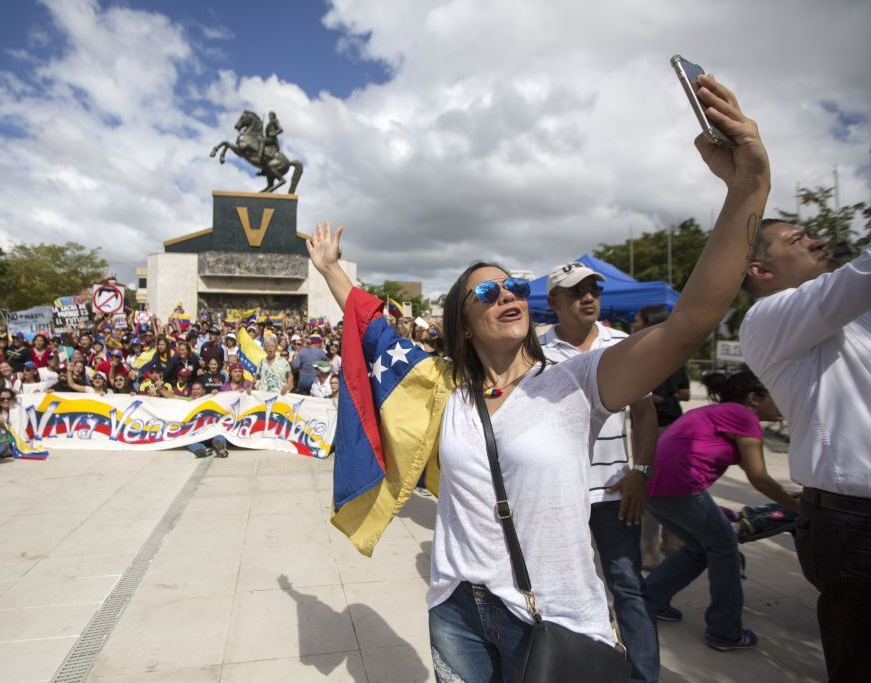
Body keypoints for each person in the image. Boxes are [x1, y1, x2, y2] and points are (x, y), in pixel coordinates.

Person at [307, 71, 770, 681]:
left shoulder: (579, 379)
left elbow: (688, 325)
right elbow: (375, 330)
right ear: (464, 324)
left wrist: (747, 189)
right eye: (487, 291)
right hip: (454, 607)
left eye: (514, 286)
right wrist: (332, 271)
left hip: (551, 616)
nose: (508, 295)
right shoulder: (444, 385)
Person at [738, 221, 871, 681]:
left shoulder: (850, 317)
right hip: (855, 522)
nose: (817, 241)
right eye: (796, 240)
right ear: (760, 270)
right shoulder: (768, 316)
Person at [538, 263, 660, 683]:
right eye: (575, 291)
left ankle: (644, 676)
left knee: (627, 586)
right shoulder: (534, 351)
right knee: (558, 592)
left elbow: (645, 411)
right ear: (554, 302)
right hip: (557, 494)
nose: (588, 297)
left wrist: (640, 470)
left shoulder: (621, 344)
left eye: (593, 289)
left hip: (612, 492)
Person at [645, 369, 799, 650]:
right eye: (778, 397)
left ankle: (651, 600)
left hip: (654, 487)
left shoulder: (723, 413)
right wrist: (796, 506)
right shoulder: (745, 417)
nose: (783, 404)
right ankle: (724, 631)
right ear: (754, 398)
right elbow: (759, 477)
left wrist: (790, 496)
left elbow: (752, 471)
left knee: (698, 548)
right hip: (681, 486)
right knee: (724, 546)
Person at [633, 305, 691, 570]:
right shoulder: (676, 357)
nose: (633, 324)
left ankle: (649, 553)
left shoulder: (642, 357)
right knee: (670, 487)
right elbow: (686, 394)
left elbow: (649, 399)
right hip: (676, 428)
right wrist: (670, 395)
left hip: (655, 430)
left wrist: (657, 397)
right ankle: (673, 545)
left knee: (649, 489)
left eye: (637, 320)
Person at [184, 381, 229, 458]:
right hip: (196, 435)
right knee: (187, 441)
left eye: (198, 389)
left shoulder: (211, 400)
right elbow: (173, 397)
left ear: (203, 391)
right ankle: (204, 451)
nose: (195, 391)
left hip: (212, 433)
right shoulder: (187, 402)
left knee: (220, 436)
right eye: (193, 389)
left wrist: (218, 394)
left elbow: (227, 399)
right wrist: (160, 388)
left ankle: (221, 449)